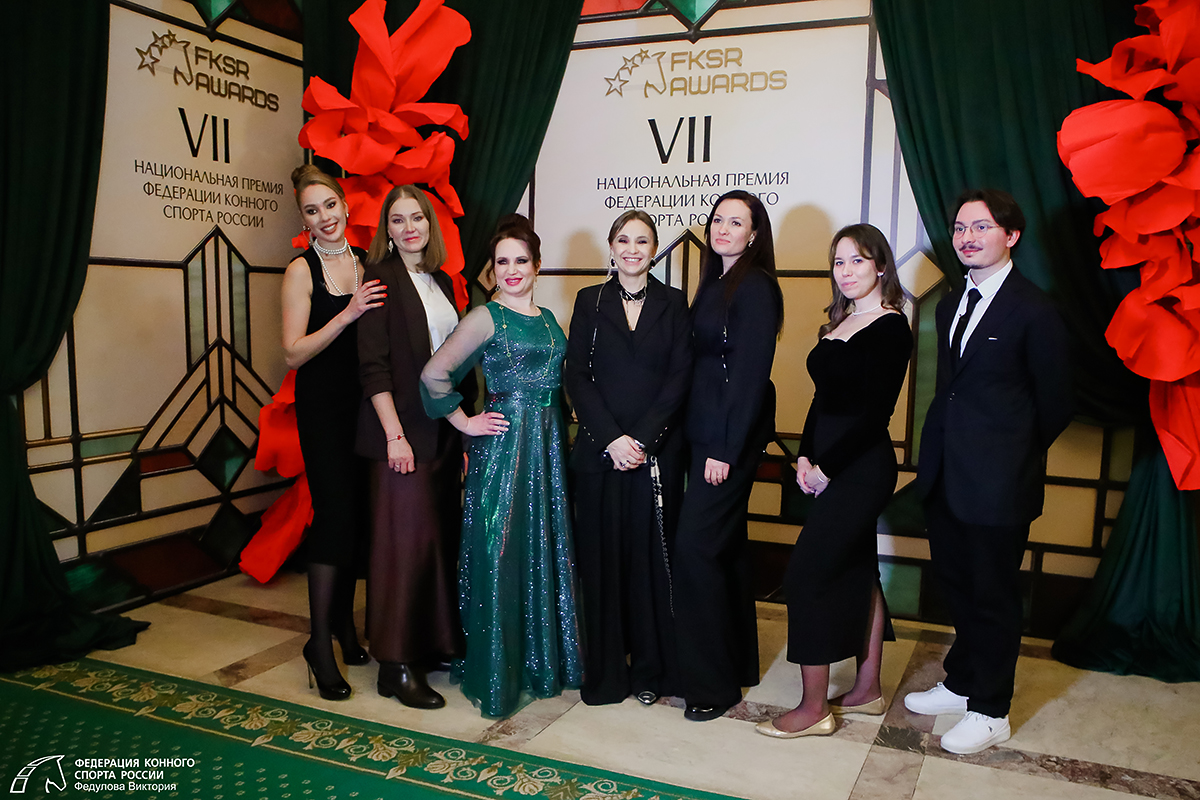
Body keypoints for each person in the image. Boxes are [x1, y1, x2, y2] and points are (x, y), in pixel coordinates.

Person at [904, 189, 1072, 754]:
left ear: (1011, 235)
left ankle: (991, 709)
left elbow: (1056, 402)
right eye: (959, 228)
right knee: (958, 586)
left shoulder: (1035, 309)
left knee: (993, 596)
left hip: (999, 483)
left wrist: (1009, 455)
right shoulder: (953, 301)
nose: (967, 237)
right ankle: (963, 682)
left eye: (980, 227)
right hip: (946, 475)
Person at [420, 215, 583, 717]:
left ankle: (540, 662)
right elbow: (434, 373)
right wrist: (465, 422)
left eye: (521, 260)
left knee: (540, 547)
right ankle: (497, 671)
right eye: (502, 262)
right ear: (494, 269)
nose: (512, 270)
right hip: (506, 450)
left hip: (548, 448)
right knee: (501, 550)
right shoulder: (486, 317)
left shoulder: (550, 319)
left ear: (537, 265)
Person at [756, 224, 912, 739]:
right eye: (838, 262)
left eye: (857, 261)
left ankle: (813, 707)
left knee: (807, 575)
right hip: (829, 462)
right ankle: (867, 690)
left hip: (862, 467)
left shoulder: (890, 327)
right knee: (860, 569)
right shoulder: (839, 324)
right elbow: (823, 401)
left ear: (881, 266)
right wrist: (805, 456)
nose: (845, 271)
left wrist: (827, 467)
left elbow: (873, 416)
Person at [565, 210, 692, 706]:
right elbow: (577, 375)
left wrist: (639, 441)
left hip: (655, 456)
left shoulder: (674, 302)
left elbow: (680, 377)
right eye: (624, 240)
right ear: (612, 246)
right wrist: (612, 440)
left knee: (651, 566)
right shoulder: (589, 301)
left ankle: (651, 671)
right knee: (603, 565)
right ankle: (606, 674)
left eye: (642, 241)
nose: (632, 249)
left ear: (654, 249)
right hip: (600, 455)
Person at [356, 185, 472, 709]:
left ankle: (428, 644)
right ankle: (395, 664)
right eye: (398, 219)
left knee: (433, 545)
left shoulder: (440, 279)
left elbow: (451, 363)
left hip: (440, 433)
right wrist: (394, 436)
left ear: (430, 224)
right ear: (387, 228)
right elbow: (373, 367)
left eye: (417, 217)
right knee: (401, 551)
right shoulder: (379, 278)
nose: (409, 228)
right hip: (400, 436)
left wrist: (461, 428)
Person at [674, 190, 784, 721]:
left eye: (736, 222)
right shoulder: (718, 281)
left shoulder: (756, 286)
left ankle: (712, 685)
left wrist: (723, 448)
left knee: (695, 550)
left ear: (755, 233)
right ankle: (738, 661)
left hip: (726, 442)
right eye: (718, 219)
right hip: (705, 435)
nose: (723, 228)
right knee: (728, 549)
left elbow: (748, 377)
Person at [281, 164, 386, 700]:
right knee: (334, 516)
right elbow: (292, 352)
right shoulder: (301, 270)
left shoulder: (369, 262)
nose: (323, 217)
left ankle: (345, 625)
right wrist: (346, 314)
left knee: (359, 519)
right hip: (323, 407)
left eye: (329, 205)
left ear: (346, 206)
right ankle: (318, 643)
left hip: (365, 405)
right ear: (304, 219)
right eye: (311, 210)